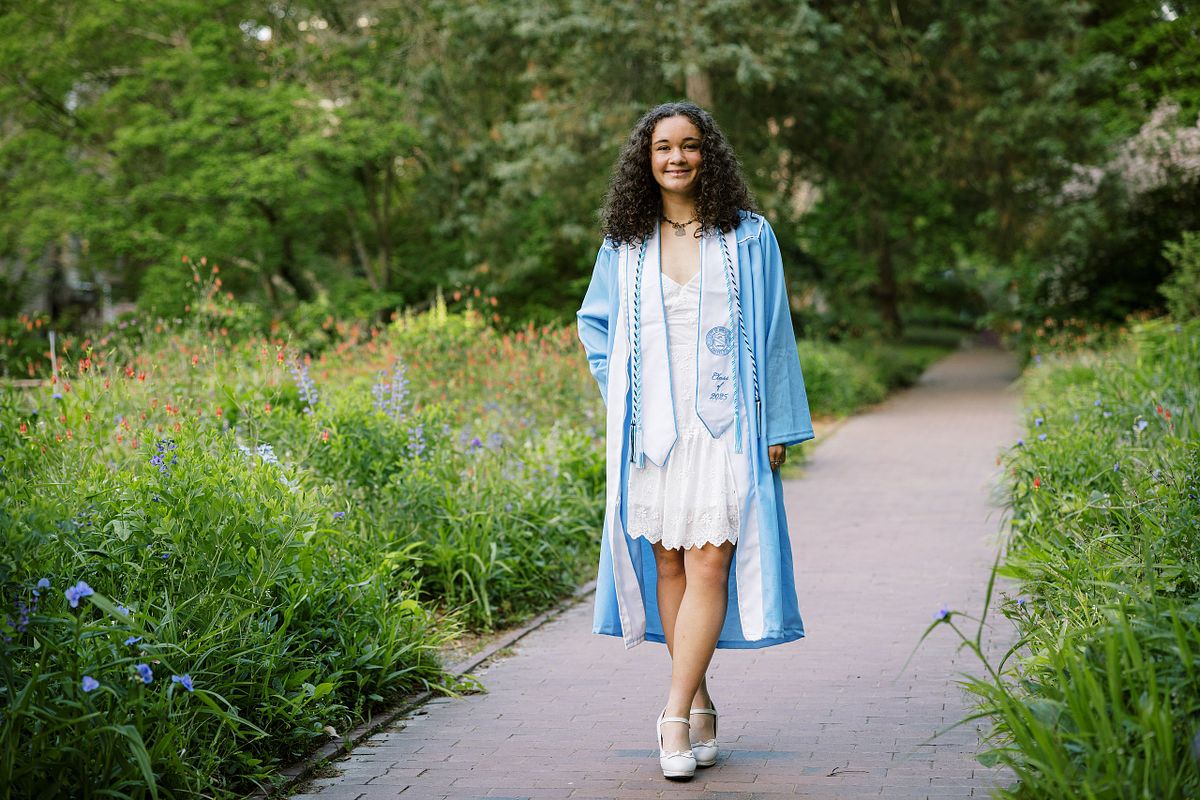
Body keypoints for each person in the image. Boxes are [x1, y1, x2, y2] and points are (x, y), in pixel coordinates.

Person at [576, 101, 815, 781]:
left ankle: (673, 715)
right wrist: (619, 394)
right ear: (645, 159)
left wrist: (779, 423)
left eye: (689, 145)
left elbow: (775, 333)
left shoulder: (748, 236)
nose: (676, 157)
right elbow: (596, 326)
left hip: (727, 424)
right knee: (670, 566)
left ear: (709, 155)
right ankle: (701, 698)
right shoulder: (626, 244)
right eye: (663, 147)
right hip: (653, 427)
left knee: (711, 561)